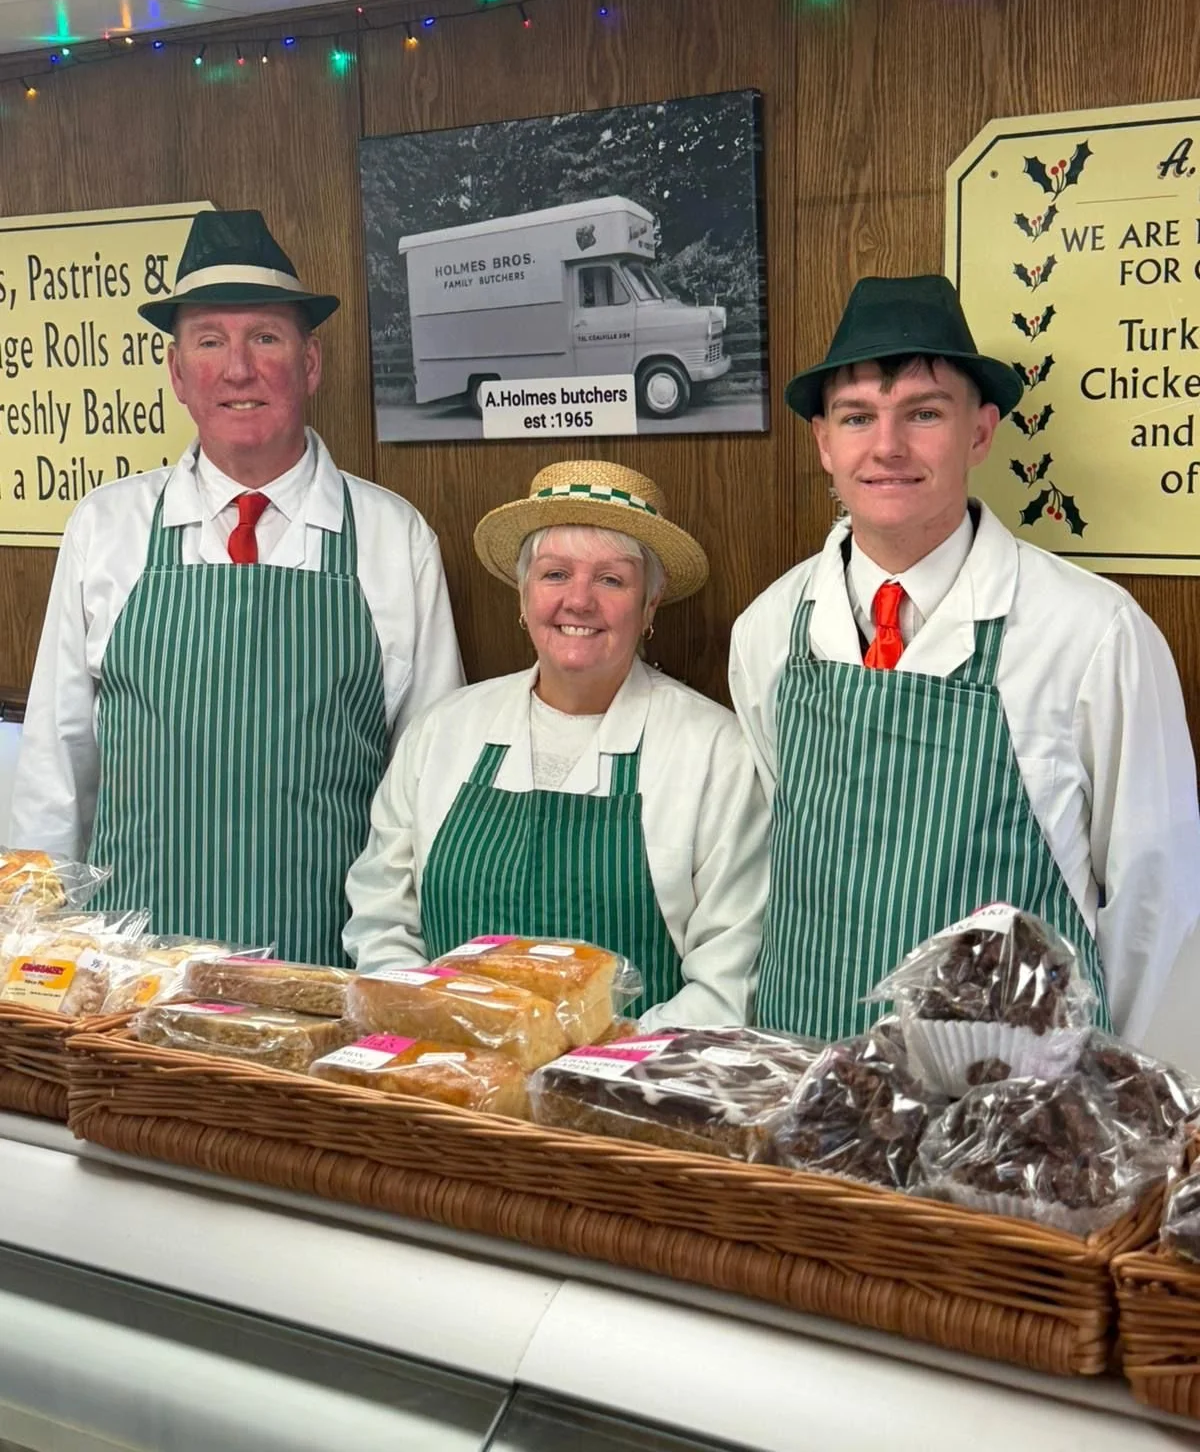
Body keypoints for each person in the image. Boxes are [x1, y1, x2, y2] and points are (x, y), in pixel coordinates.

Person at [730, 274, 1200, 1045]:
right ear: (823, 442)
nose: (887, 447)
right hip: (805, 1081)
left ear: (980, 433)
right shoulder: (769, 629)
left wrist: (1122, 1108)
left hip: (1012, 1116)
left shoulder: (1092, 633)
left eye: (923, 413)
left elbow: (1159, 902)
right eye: (857, 417)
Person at [12, 209, 462, 963]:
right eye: (210, 341)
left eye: (265, 338)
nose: (238, 368)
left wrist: (400, 981)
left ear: (309, 363)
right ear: (178, 372)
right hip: (131, 992)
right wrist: (35, 957)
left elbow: (431, 789)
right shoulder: (105, 527)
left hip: (327, 982)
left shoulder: (395, 537)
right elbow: (57, 768)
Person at [345, 460, 768, 1030]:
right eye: (554, 574)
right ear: (523, 596)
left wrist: (595, 1069)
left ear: (650, 604)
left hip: (628, 1095)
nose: (579, 601)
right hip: (448, 1080)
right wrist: (428, 1022)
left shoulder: (716, 752)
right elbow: (381, 918)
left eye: (611, 579)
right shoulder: (443, 731)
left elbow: (730, 978)